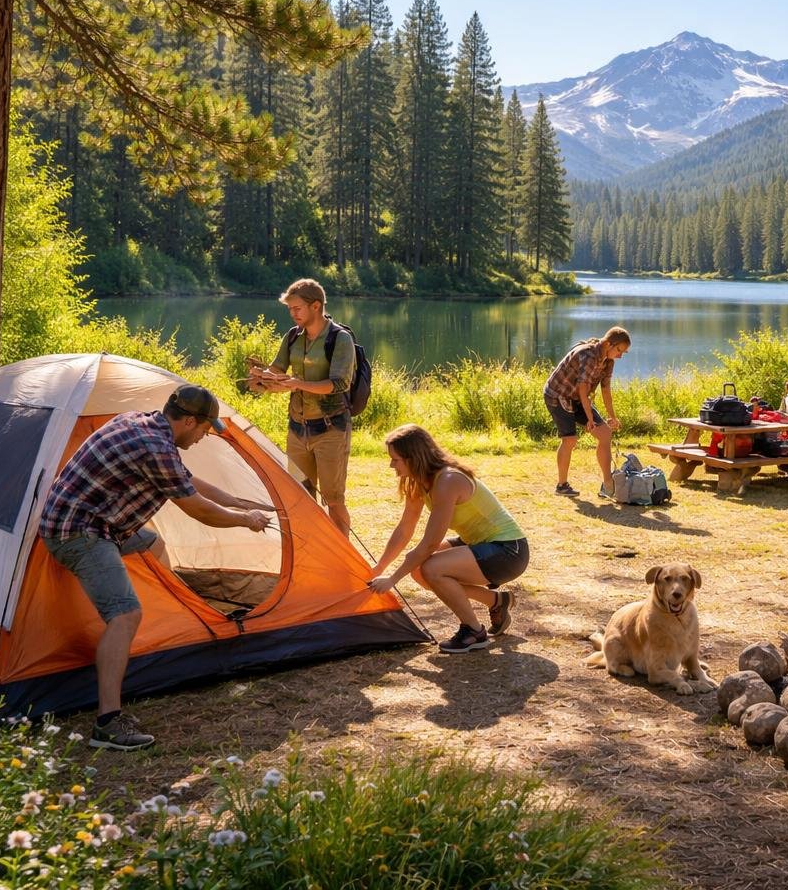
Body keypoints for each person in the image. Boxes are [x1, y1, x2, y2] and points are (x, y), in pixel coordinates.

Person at [38, 384, 273, 750]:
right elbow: (198, 509)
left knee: (154, 543)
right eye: (205, 429)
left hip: (96, 523)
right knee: (125, 615)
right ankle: (108, 722)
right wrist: (246, 520)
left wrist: (242, 502)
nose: (205, 436)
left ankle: (178, 617)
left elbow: (189, 481)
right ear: (190, 421)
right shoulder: (156, 447)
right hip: (79, 533)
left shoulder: (145, 424)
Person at [367, 424, 530, 654]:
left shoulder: (448, 480)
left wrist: (392, 579)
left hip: (509, 551)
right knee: (418, 569)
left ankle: (473, 631)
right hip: (478, 543)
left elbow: (431, 543)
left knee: (431, 568)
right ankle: (496, 601)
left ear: (414, 458)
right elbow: (405, 528)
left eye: (396, 459)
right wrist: (379, 567)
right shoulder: (419, 481)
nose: (391, 465)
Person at [248, 278, 355, 538]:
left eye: (297, 308)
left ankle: (343, 557)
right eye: (290, 309)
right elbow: (278, 371)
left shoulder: (339, 339)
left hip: (331, 430)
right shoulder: (293, 336)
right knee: (300, 497)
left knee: (333, 498)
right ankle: (312, 553)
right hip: (297, 430)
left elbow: (340, 383)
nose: (292, 313)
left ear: (315, 306)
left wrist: (298, 384)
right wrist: (262, 379)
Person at [542, 326, 629, 497]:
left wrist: (612, 417)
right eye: (619, 350)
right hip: (557, 394)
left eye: (623, 353)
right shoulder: (588, 355)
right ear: (608, 344)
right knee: (570, 439)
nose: (620, 356)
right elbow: (583, 390)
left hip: (576, 397)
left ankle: (607, 485)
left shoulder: (608, 361)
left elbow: (605, 390)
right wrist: (589, 418)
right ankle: (562, 485)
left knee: (605, 434)